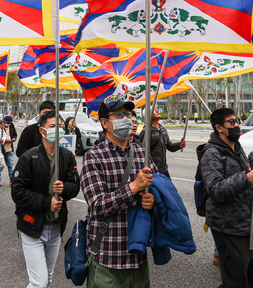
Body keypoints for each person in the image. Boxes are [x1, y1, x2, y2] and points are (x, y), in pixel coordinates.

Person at [80, 98, 156, 287]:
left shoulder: (142, 153)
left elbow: (160, 187)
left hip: (138, 254)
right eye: (119, 115)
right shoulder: (93, 157)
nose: (126, 119)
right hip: (108, 257)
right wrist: (133, 187)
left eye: (129, 114)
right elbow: (97, 205)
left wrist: (153, 198)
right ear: (105, 123)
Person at [12, 110, 80, 288]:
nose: (57, 130)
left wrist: (65, 188)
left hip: (56, 227)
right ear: (42, 130)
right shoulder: (29, 157)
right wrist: (46, 202)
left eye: (60, 126)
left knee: (48, 278)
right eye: (52, 127)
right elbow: (17, 192)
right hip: (33, 226)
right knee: (39, 282)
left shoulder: (67, 156)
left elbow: (75, 186)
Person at [198, 107, 253, 288]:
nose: (237, 125)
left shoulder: (237, 148)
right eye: (232, 122)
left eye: (237, 121)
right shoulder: (212, 153)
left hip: (245, 222)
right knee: (236, 279)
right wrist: (246, 177)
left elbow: (248, 182)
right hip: (227, 225)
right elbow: (215, 189)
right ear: (219, 128)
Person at [136, 106, 185, 179]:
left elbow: (170, 146)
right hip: (152, 171)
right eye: (153, 110)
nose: (157, 111)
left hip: (164, 169)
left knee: (169, 189)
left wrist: (179, 145)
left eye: (156, 109)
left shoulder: (163, 129)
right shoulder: (146, 131)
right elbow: (142, 151)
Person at [2, 114, 18, 181]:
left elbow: (15, 134)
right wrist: (5, 140)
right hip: (1, 149)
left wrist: (13, 139)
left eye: (10, 121)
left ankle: (12, 180)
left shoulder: (11, 126)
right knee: (0, 165)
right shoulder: (1, 127)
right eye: (8, 121)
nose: (9, 122)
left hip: (9, 149)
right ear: (5, 121)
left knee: (11, 165)